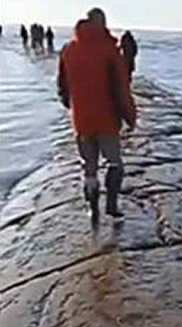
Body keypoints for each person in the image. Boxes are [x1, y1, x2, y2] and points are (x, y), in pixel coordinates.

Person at [57, 9, 137, 222]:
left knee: (89, 167)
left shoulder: (68, 50)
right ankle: (111, 205)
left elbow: (62, 88)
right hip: (107, 119)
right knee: (114, 163)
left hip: (81, 120)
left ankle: (92, 209)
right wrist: (130, 117)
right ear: (102, 24)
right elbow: (121, 88)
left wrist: (73, 107)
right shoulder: (109, 51)